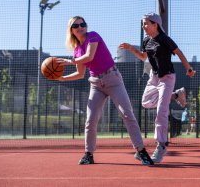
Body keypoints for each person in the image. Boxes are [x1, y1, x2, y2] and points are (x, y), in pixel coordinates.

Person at [56, 16, 153, 166]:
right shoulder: (77, 50)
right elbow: (80, 74)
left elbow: (90, 56)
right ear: (71, 30)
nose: (80, 27)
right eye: (76, 25)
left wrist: (71, 62)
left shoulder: (93, 36)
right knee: (90, 120)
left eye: (83, 24)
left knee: (127, 114)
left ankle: (141, 151)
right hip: (95, 84)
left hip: (112, 78)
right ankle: (89, 154)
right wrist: (63, 78)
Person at [119, 12, 195, 163]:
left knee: (161, 111)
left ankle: (161, 146)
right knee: (146, 102)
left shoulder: (164, 39)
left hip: (167, 78)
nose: (144, 26)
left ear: (156, 24)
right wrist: (130, 49)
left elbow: (178, 52)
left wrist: (189, 68)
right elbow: (143, 57)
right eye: (143, 24)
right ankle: (175, 95)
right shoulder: (146, 40)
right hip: (154, 78)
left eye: (146, 23)